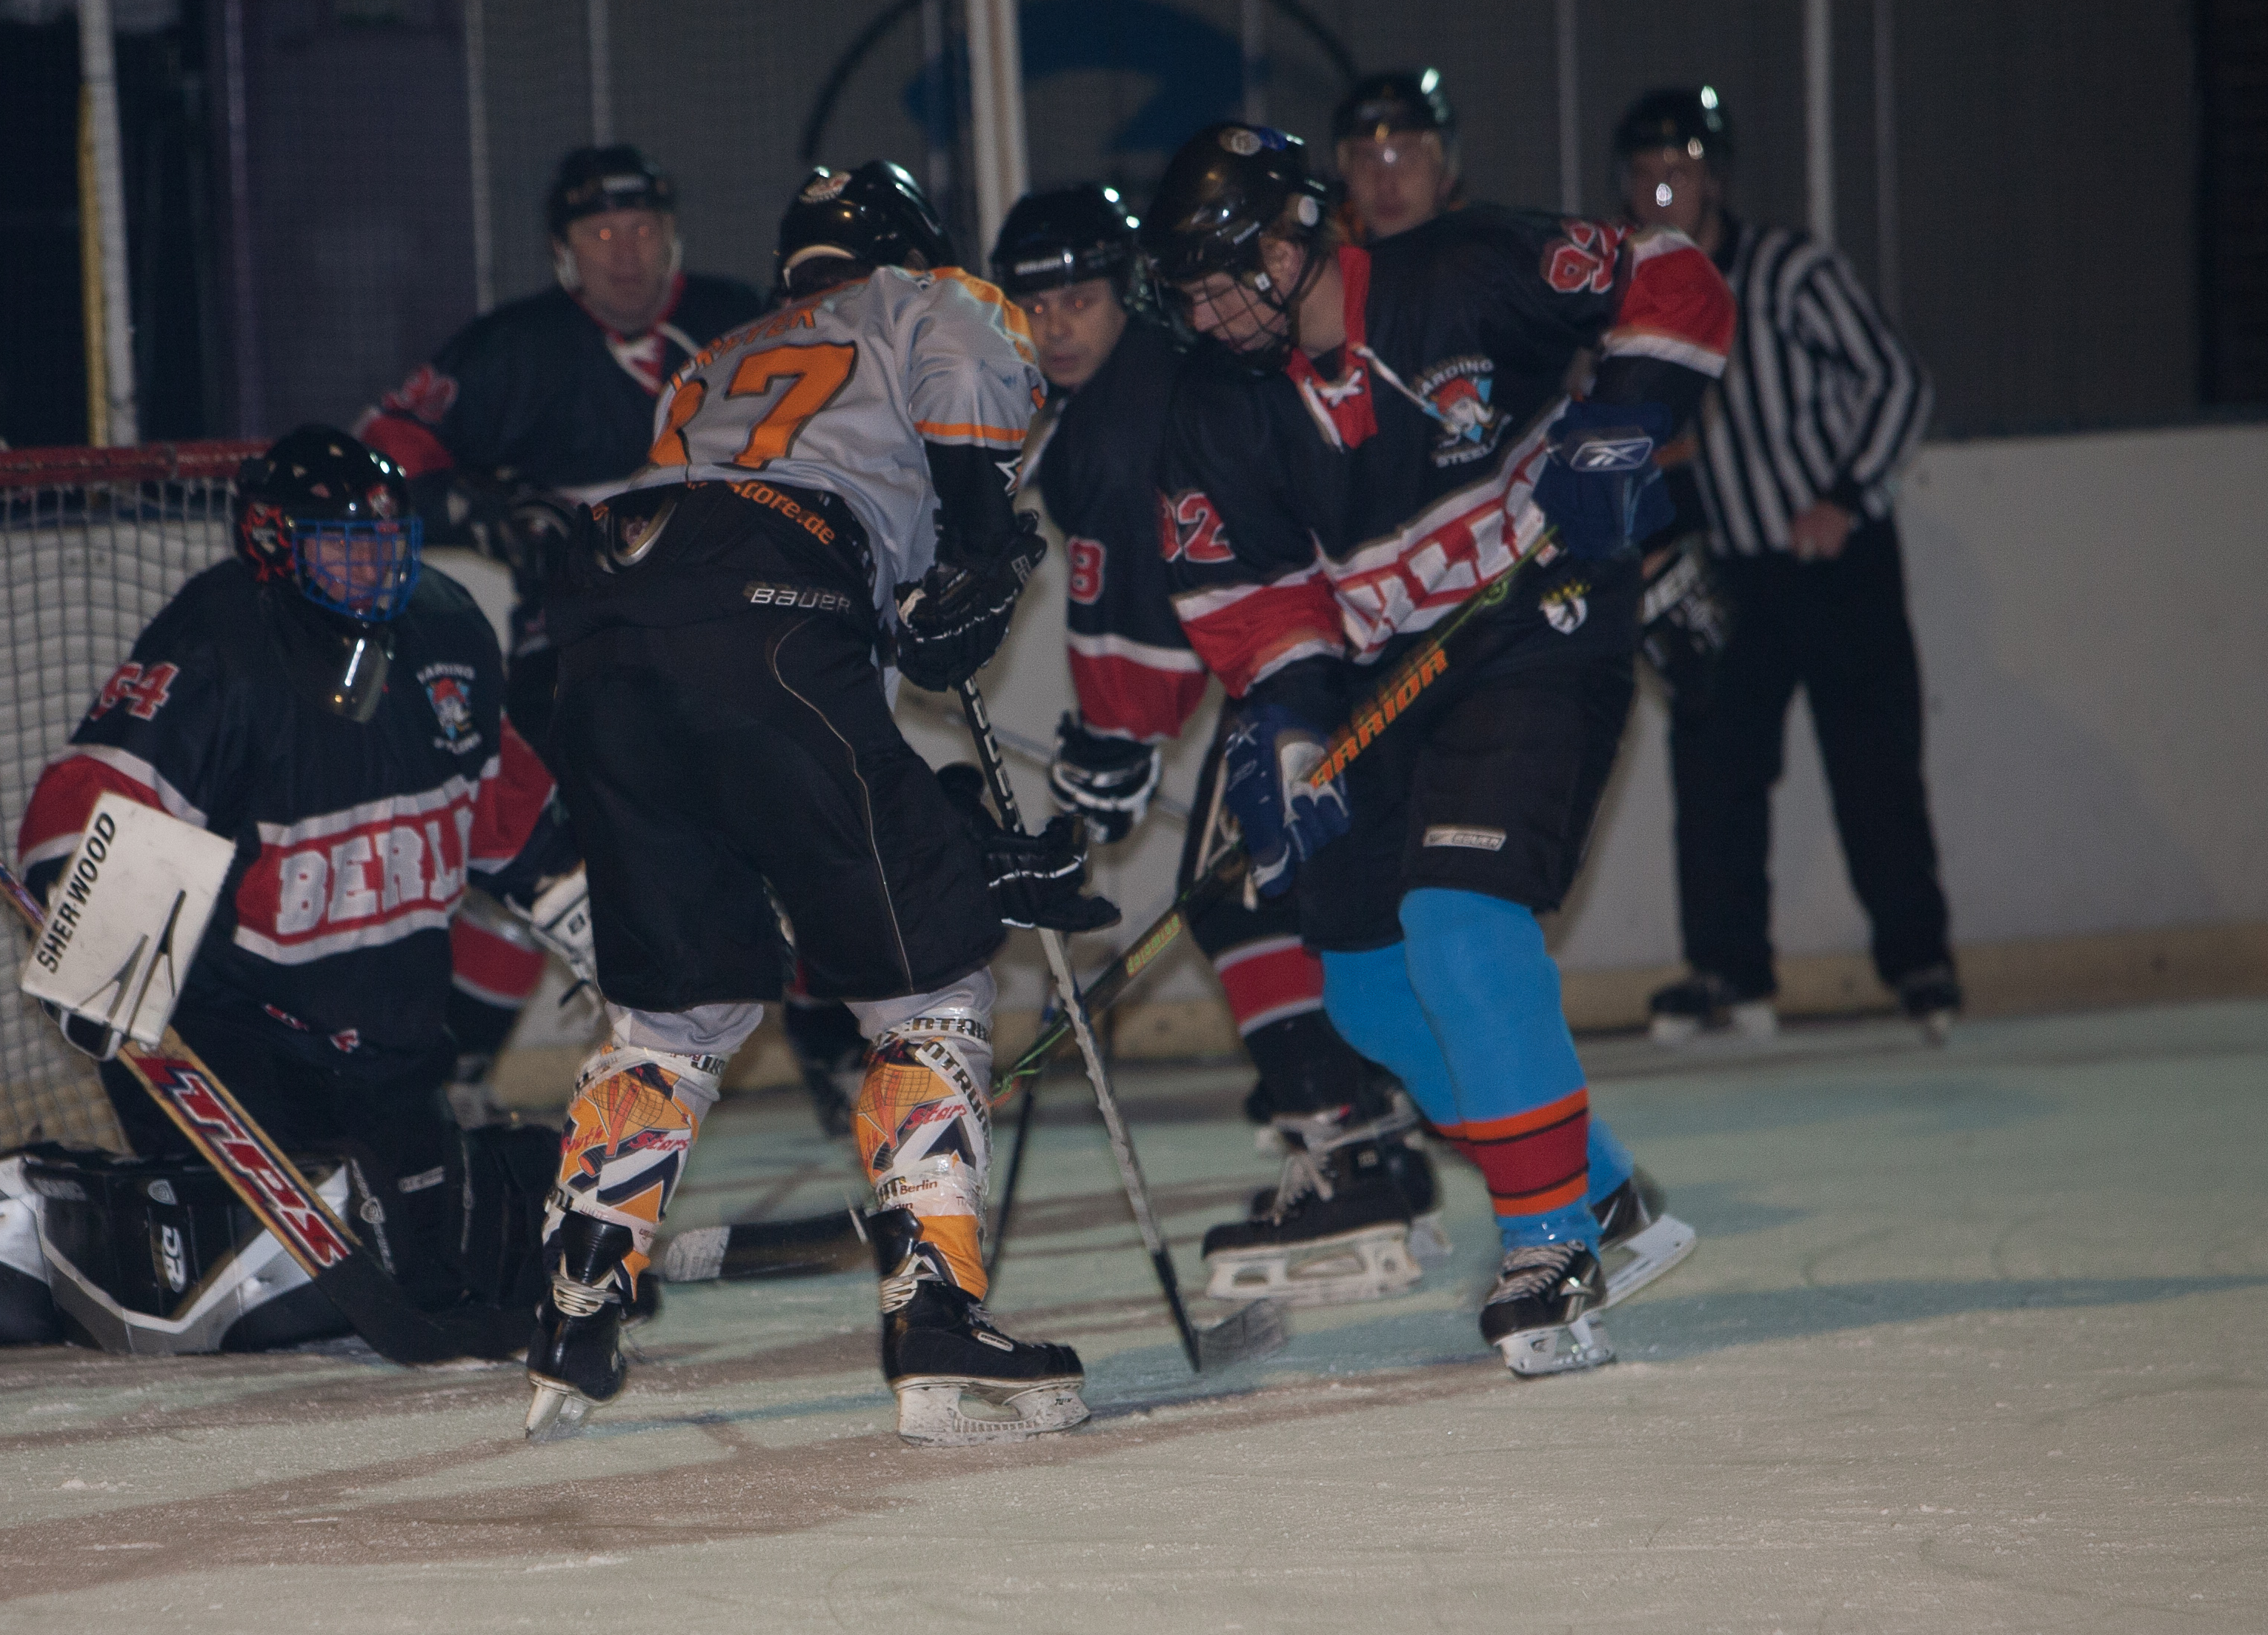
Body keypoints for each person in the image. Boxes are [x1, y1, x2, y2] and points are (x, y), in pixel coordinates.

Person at [526, 161, 1113, 1446]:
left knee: (676, 1010)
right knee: (926, 985)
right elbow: (927, 490)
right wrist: (979, 537)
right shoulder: (928, 294)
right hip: (772, 598)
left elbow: (771, 686)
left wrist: (942, 831)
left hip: (606, 619)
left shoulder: (710, 357)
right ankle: (935, 1308)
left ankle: (577, 1305)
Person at [1139, 122, 1728, 1375]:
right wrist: (1291, 727)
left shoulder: (1459, 272)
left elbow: (1673, 271)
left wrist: (1623, 419)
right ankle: (1604, 1192)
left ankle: (1550, 1245)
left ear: (1294, 240)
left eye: (1221, 279)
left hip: (1541, 618)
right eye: (1184, 291)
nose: (1204, 312)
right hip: (1389, 674)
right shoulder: (1213, 403)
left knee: (1460, 918)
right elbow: (1257, 601)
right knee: (1364, 986)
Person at [1000, 184, 1449, 1307]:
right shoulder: (1155, 378)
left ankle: (1348, 1152)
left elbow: (1146, 627)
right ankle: (1377, 1136)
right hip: (1365, 628)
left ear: (1128, 294)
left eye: (1080, 299)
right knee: (1299, 891)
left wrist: (1112, 744)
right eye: (1035, 306)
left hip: (1315, 655)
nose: (1057, 327)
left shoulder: (1120, 424)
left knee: (1240, 897)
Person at [13, 427, 579, 1311]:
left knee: (447, 1261)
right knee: (276, 1295)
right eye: (345, 546)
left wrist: (608, 918)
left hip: (391, 1047)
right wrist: (94, 944)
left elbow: (507, 806)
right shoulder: (219, 641)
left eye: (387, 544)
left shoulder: (445, 626)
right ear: (272, 541)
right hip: (240, 1044)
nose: (375, 568)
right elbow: (99, 789)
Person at [354, 146, 767, 1113]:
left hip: (735, 641)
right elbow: (380, 449)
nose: (625, 252)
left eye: (643, 229)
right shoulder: (514, 350)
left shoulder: (741, 324)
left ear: (673, 238)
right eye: (601, 232)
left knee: (792, 830)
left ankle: (838, 1056)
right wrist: (477, 510)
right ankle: (451, 1075)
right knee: (545, 857)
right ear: (564, 252)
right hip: (576, 654)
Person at [1614, 87, 1958, 1044]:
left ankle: (1918, 960)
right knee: (1712, 770)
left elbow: (1898, 379)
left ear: (1715, 178)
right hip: (1728, 569)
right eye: (1644, 174)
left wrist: (1843, 496)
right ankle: (1726, 967)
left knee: (1873, 764)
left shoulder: (1788, 270)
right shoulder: (1632, 297)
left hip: (1834, 562)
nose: (1661, 190)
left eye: (1679, 170)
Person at [1332, 69, 1466, 242]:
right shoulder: (1323, 256)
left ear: (1447, 167)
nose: (1385, 186)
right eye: (1368, 161)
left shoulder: (1484, 254)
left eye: (1407, 160)